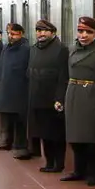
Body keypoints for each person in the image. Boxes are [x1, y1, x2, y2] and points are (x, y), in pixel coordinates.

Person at [63, 15, 95, 185]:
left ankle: (93, 173)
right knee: (75, 138)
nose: (83, 35)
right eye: (80, 31)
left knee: (91, 139)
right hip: (73, 96)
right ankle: (78, 170)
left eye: (88, 32)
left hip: (91, 98)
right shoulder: (71, 50)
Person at [27, 19, 68, 173]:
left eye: (44, 30)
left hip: (53, 99)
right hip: (37, 97)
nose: (41, 34)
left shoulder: (61, 49)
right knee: (44, 133)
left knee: (56, 133)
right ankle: (49, 161)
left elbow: (63, 77)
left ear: (53, 32)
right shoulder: (34, 49)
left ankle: (59, 163)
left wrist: (59, 98)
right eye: (38, 30)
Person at [0, 23, 31, 157]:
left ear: (21, 34)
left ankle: (21, 146)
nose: (11, 36)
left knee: (19, 119)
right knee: (6, 116)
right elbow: (1, 66)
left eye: (14, 34)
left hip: (19, 89)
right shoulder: (5, 48)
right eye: (9, 34)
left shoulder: (26, 49)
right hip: (6, 86)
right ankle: (7, 142)